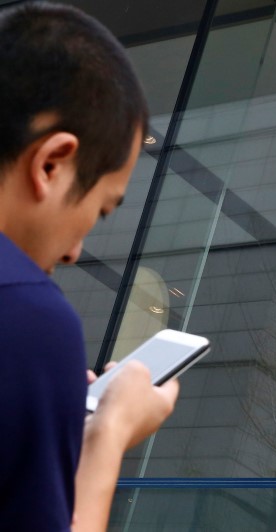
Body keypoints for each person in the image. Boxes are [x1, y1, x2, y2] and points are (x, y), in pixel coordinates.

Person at [0, 2, 179, 530]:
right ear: (52, 162)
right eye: (100, 210)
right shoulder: (26, 315)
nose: (76, 252)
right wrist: (109, 436)